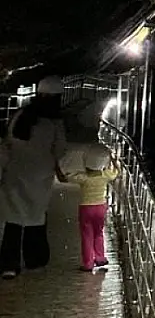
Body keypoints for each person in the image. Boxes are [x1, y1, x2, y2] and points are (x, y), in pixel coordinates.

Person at [0, 76, 68, 279]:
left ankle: (8, 264)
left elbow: (8, 142)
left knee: (13, 221)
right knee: (36, 219)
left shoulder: (21, 115)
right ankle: (35, 259)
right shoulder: (54, 122)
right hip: (40, 177)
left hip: (14, 174)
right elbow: (60, 149)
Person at [65, 144, 118, 272]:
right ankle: (100, 258)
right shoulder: (105, 175)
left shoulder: (83, 178)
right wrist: (113, 159)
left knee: (86, 235)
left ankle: (88, 263)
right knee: (99, 233)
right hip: (101, 207)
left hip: (86, 208)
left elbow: (66, 176)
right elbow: (116, 172)